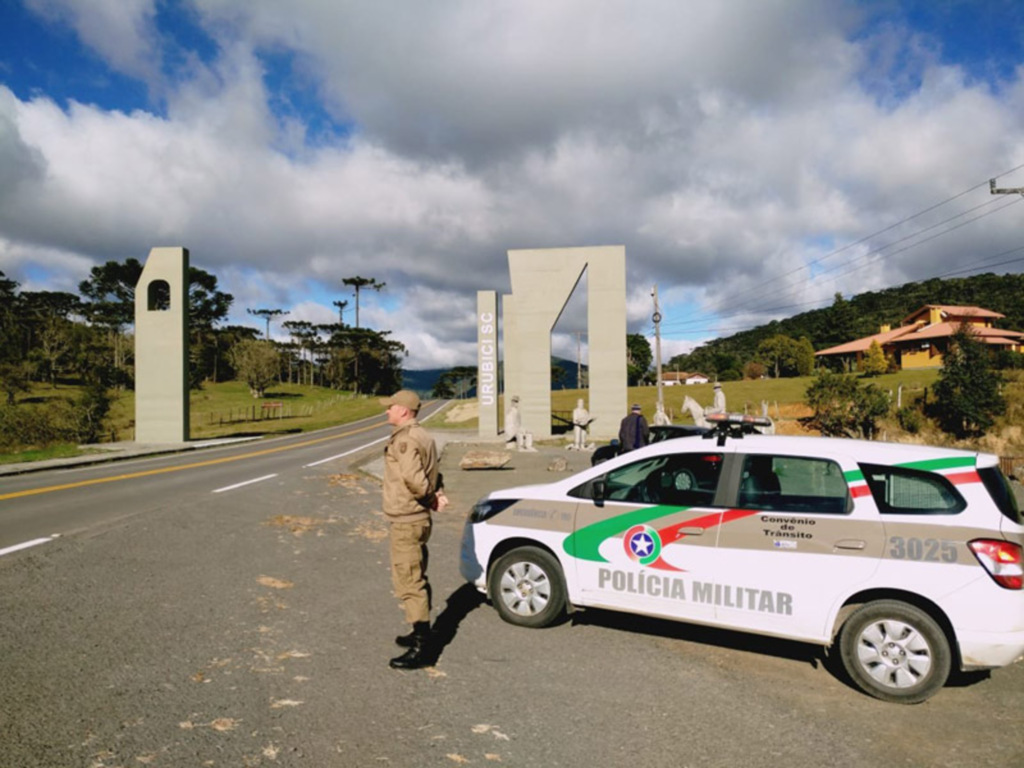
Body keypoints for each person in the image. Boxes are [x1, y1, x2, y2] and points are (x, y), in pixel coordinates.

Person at [380, 389, 448, 670]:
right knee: (417, 574)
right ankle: (421, 630)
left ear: (404, 411)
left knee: (409, 581)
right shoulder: (423, 435)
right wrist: (439, 492)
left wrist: (431, 497)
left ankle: (424, 648)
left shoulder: (406, 439)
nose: (387, 411)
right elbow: (435, 471)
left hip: (407, 519)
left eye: (391, 407)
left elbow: (416, 479)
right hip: (417, 519)